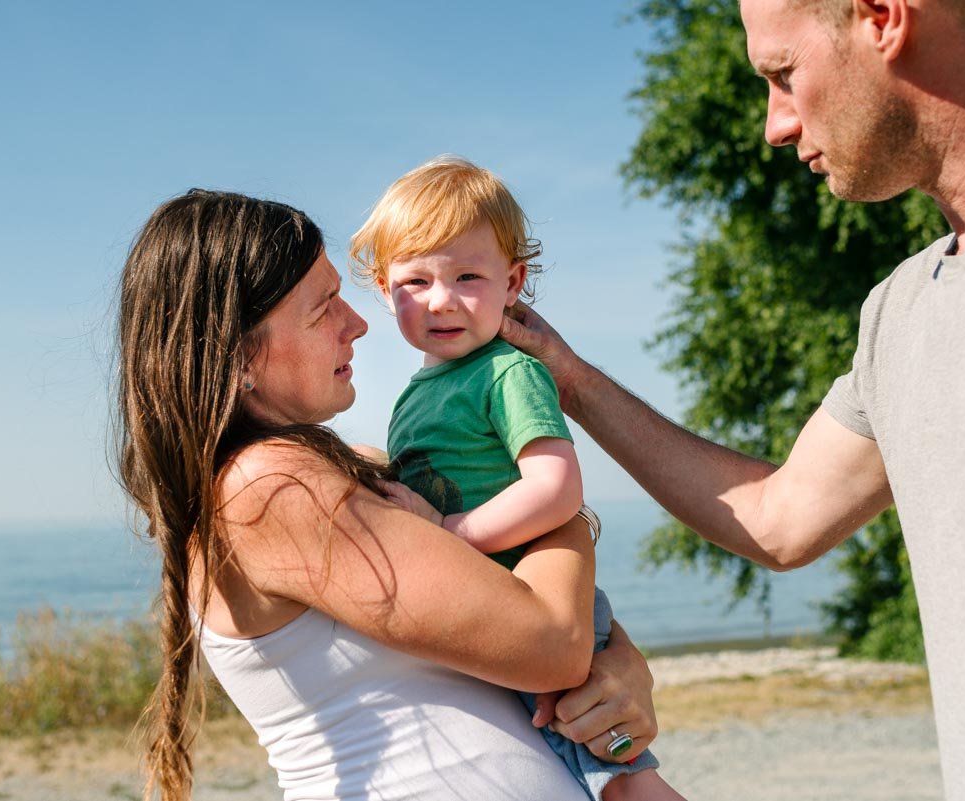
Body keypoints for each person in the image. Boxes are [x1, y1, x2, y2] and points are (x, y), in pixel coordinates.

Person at [499, 2, 965, 799]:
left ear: (881, 16)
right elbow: (777, 519)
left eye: (783, 75)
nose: (775, 125)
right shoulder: (900, 313)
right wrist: (572, 379)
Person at [115, 189, 660, 801]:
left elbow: (531, 624)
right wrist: (562, 508)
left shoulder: (349, 471)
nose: (359, 322)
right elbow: (554, 645)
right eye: (323, 309)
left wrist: (622, 668)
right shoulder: (270, 490)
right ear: (237, 352)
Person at [348, 156, 678, 801]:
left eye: (468, 276)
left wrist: (449, 534)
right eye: (416, 281)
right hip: (498, 604)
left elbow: (557, 487)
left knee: (615, 774)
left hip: (540, 592)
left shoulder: (507, 371)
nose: (442, 299)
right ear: (386, 290)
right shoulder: (419, 392)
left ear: (513, 282)